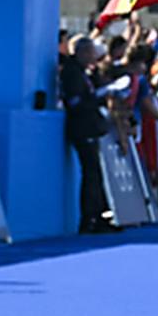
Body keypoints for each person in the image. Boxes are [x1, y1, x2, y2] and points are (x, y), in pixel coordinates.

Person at [61, 35, 119, 234]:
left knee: (95, 174)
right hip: (82, 127)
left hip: (91, 127)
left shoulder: (84, 73)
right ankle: (89, 219)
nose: (94, 56)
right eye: (91, 52)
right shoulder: (72, 73)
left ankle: (99, 216)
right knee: (91, 174)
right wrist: (98, 97)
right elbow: (76, 103)